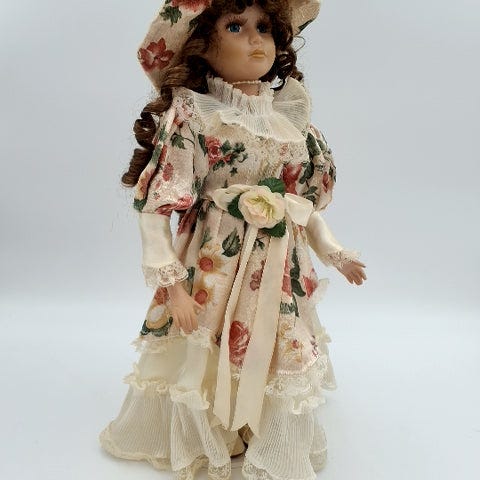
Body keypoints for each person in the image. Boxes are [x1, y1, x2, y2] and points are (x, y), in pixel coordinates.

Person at [99, 1, 367, 479]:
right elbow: (157, 206)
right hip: (215, 263)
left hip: (278, 267)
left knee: (278, 343)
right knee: (208, 341)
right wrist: (172, 284)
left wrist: (334, 251)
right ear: (202, 45)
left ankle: (263, 428)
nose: (255, 39)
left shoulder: (293, 119)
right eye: (236, 27)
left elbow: (301, 205)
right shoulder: (195, 117)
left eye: (264, 27)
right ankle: (214, 427)